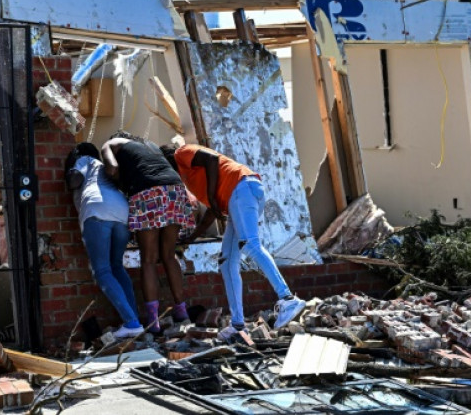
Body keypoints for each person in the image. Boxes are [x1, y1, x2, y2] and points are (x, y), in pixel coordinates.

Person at [160, 143, 306, 338]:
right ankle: (238, 325)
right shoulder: (191, 177)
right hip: (238, 195)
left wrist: (212, 196)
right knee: (227, 262)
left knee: (250, 244)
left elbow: (211, 160)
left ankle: (288, 299)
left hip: (241, 188)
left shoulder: (181, 153)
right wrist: (193, 236)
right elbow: (212, 210)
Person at [101, 132, 194, 333]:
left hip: (146, 192)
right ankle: (181, 312)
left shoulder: (111, 143)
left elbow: (112, 169)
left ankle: (153, 321)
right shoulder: (149, 143)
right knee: (169, 255)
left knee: (149, 259)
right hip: (175, 190)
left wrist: (122, 186)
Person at [64, 142, 143, 338]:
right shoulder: (103, 168)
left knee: (101, 270)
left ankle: (131, 322)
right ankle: (135, 320)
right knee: (117, 266)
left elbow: (74, 180)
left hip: (98, 211)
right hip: (122, 213)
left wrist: (68, 172)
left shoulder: (86, 160)